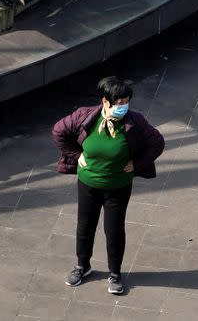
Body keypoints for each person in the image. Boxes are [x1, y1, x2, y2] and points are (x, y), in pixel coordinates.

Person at [52, 76, 164, 295]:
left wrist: (137, 164)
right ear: (105, 101)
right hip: (88, 184)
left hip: (118, 187)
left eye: (126, 102)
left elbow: (157, 143)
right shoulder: (85, 116)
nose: (123, 107)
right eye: (119, 102)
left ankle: (115, 273)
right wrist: (76, 155)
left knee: (114, 230)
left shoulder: (135, 122)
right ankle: (82, 266)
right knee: (84, 227)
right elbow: (58, 132)